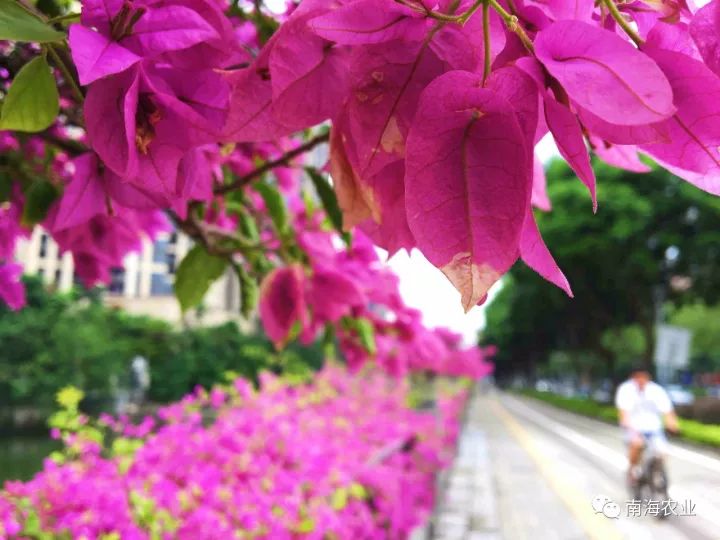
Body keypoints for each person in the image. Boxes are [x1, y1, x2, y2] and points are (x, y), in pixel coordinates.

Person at [615, 364, 679, 487]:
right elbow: (624, 412)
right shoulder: (626, 390)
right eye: (638, 377)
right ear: (633, 377)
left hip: (654, 428)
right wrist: (626, 423)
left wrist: (672, 423)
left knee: (663, 452)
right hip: (634, 428)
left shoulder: (656, 390)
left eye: (643, 377)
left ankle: (656, 472)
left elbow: (667, 410)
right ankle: (632, 470)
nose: (641, 380)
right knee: (637, 444)